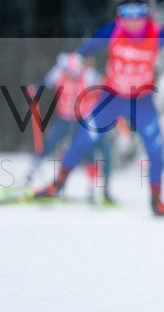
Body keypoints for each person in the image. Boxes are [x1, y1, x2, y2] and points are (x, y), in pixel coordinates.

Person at [34, 0, 164, 217]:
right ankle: (57, 186)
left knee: (155, 148)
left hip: (142, 101)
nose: (133, 20)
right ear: (120, 16)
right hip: (112, 97)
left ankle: (157, 201)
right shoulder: (113, 31)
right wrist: (76, 59)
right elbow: (89, 47)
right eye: (127, 14)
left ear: (146, 15)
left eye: (138, 14)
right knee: (84, 138)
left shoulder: (155, 34)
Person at [27, 53, 115, 204]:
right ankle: (30, 176)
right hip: (64, 118)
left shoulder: (89, 75)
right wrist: (35, 88)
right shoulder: (59, 72)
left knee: (88, 151)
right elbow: (45, 83)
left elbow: (105, 87)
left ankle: (93, 189)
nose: (72, 74)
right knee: (49, 144)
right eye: (70, 71)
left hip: (83, 120)